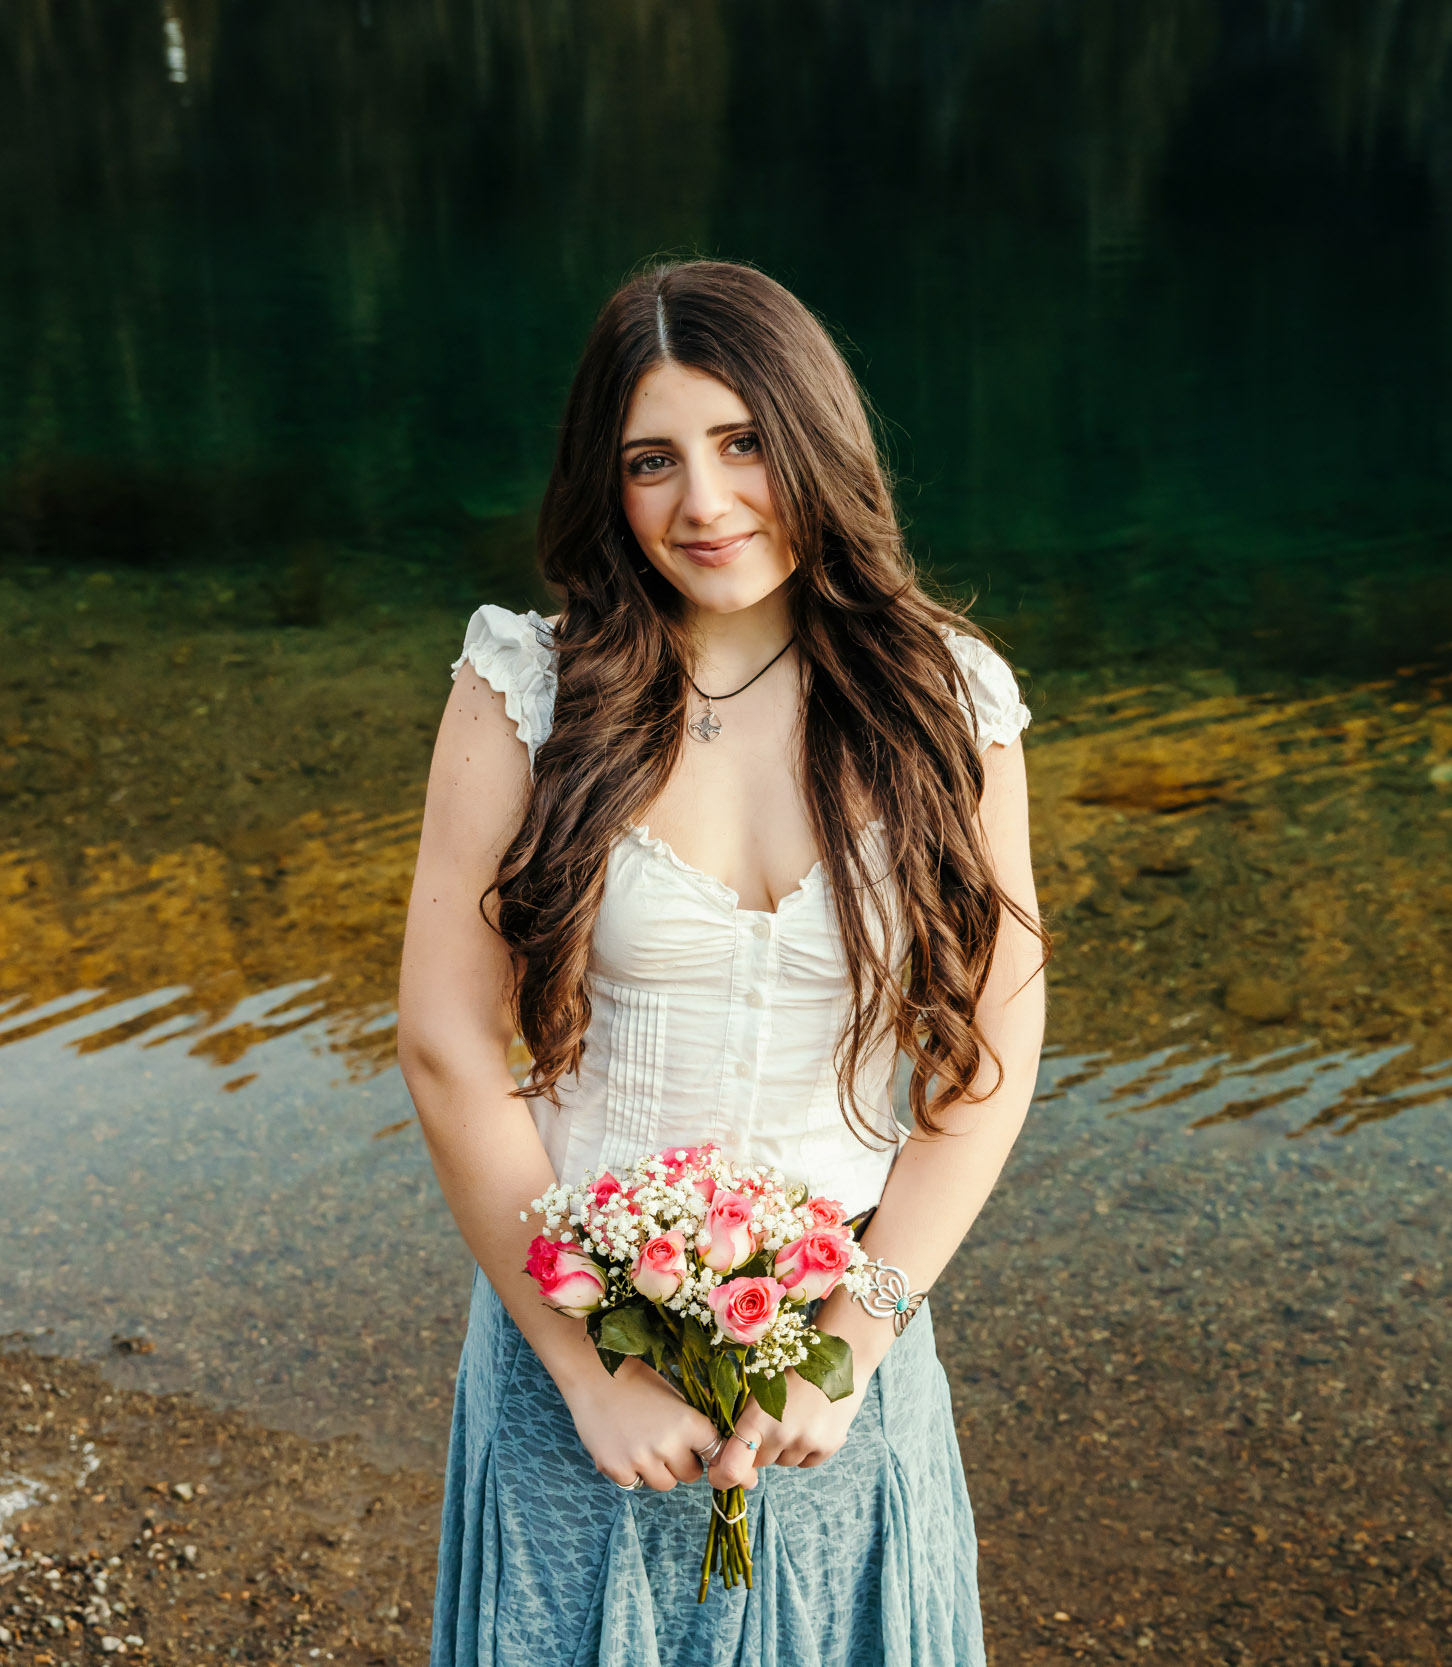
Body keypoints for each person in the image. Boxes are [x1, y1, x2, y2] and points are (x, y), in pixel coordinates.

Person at [397, 260, 1046, 1666]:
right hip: (582, 1363)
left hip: (839, 1369)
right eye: (652, 461)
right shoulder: (525, 688)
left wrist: (859, 1338)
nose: (705, 501)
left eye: (743, 441)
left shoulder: (948, 700)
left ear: (815, 438)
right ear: (606, 485)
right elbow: (451, 1047)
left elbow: (993, 1051)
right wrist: (594, 1371)